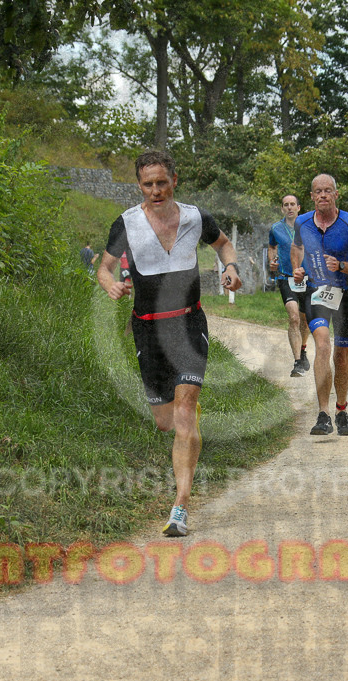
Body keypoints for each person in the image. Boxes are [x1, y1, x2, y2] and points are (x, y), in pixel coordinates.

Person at [96, 150, 241, 537]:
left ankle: (180, 506)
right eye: (148, 184)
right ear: (139, 186)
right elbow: (104, 267)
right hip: (148, 330)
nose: (156, 190)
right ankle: (187, 434)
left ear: (174, 179)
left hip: (188, 324)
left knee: (185, 412)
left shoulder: (195, 217)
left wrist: (230, 268)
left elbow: (224, 244)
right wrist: (111, 284)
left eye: (162, 182)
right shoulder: (126, 223)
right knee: (166, 421)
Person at [291, 173, 348, 437]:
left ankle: (341, 410)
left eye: (327, 191)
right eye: (317, 191)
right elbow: (296, 248)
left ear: (336, 194)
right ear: (311, 197)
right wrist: (297, 270)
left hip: (344, 294)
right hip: (316, 292)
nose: (322, 195)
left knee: (341, 356)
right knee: (322, 345)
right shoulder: (302, 222)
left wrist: (342, 266)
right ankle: (323, 414)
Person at [268, 194, 311, 377]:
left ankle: (303, 349)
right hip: (286, 278)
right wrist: (272, 262)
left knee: (306, 320)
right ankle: (297, 363)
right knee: (294, 317)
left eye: (293, 204)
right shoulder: (275, 228)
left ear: (299, 207)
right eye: (286, 205)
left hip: (308, 278)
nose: (290, 207)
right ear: (282, 209)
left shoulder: (310, 227)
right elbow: (272, 247)